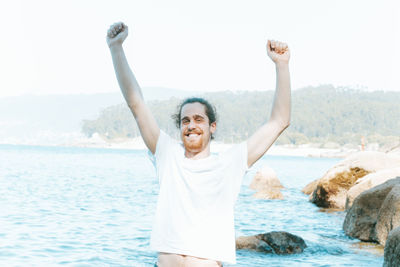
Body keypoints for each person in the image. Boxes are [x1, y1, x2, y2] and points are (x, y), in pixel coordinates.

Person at [107, 22, 291, 266]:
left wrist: (282, 65)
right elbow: (136, 104)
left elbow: (279, 121)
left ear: (211, 127)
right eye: (185, 120)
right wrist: (116, 48)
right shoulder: (167, 155)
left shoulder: (231, 162)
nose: (191, 125)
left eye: (198, 119)